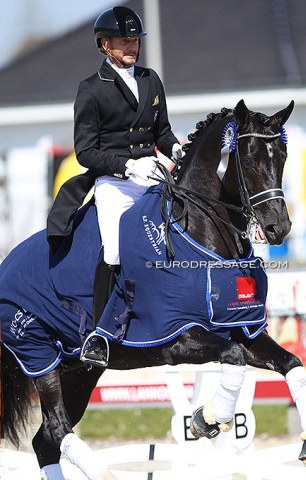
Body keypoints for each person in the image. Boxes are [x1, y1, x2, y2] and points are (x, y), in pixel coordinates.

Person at [48, 6, 183, 368]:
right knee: (113, 250)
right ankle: (99, 334)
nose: (132, 46)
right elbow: (86, 151)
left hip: (152, 174)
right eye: (125, 41)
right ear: (105, 44)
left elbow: (163, 131)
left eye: (135, 39)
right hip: (114, 183)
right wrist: (126, 166)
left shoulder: (151, 79)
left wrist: (176, 149)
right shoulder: (91, 90)